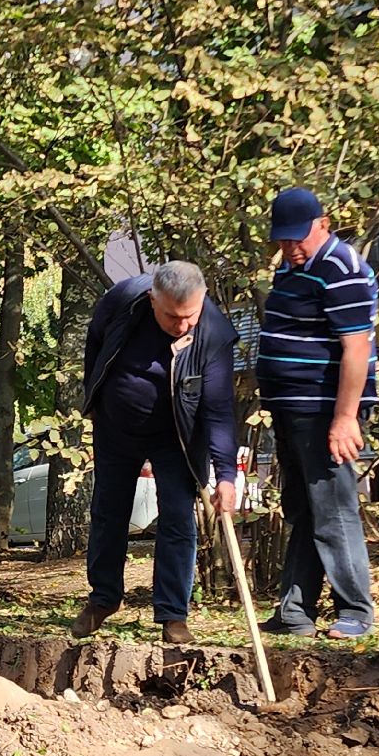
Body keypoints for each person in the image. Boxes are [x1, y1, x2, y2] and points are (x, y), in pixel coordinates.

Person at [71, 260, 239, 645]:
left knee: (177, 518)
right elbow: (95, 341)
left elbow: (218, 410)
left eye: (189, 316)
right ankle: (103, 599)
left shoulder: (214, 334)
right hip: (117, 427)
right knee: (108, 511)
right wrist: (93, 397)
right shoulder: (123, 300)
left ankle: (173, 615)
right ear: (152, 299)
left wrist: (226, 476)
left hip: (176, 435)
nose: (182, 325)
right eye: (172, 317)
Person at [256, 187, 378, 639]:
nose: (291, 247)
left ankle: (355, 611)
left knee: (334, 510)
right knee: (303, 509)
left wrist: (344, 418)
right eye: (283, 238)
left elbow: (356, 349)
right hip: (289, 407)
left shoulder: (342, 269)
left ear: (323, 224)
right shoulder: (291, 268)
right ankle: (295, 611)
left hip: (323, 410)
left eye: (298, 237)